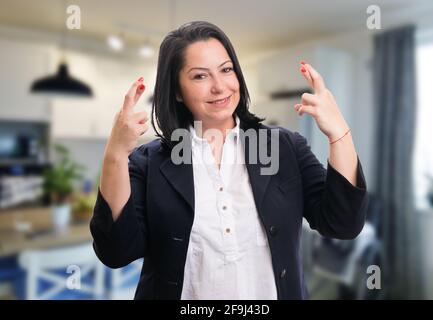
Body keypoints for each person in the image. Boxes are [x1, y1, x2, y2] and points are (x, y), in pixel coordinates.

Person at [90, 21, 368, 300]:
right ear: (177, 91)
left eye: (226, 70)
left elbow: (342, 223)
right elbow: (116, 251)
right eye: (200, 76)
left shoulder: (284, 147)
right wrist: (115, 154)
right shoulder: (149, 162)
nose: (219, 86)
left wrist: (339, 133)